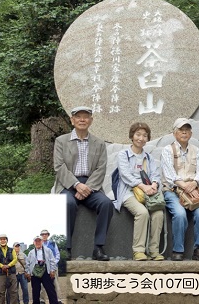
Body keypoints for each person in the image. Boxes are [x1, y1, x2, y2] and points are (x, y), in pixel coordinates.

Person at [53, 106, 113, 261]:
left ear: (91, 121)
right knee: (68, 204)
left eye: (85, 117)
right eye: (78, 117)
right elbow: (59, 167)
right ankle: (65, 248)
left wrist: (87, 187)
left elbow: (101, 168)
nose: (82, 120)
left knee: (106, 204)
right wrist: (76, 185)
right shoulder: (61, 141)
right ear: (72, 120)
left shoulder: (99, 143)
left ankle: (98, 247)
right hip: (68, 184)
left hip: (91, 185)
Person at [160, 118, 199, 261]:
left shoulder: (197, 151)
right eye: (181, 130)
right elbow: (169, 175)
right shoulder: (167, 150)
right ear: (174, 133)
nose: (184, 132)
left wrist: (193, 183)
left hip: (194, 193)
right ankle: (178, 250)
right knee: (180, 214)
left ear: (191, 133)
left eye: (187, 130)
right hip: (173, 191)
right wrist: (184, 186)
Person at [114, 122, 165, 261]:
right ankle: (139, 250)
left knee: (158, 214)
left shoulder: (148, 157)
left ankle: (154, 251)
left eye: (144, 135)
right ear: (132, 136)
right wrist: (143, 186)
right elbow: (125, 175)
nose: (141, 138)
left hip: (148, 193)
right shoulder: (123, 155)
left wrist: (154, 185)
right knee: (142, 213)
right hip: (128, 192)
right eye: (138, 134)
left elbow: (155, 174)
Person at [25, 236, 58, 304]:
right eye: (36, 241)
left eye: (39, 241)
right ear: (34, 243)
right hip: (35, 271)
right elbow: (27, 263)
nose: (38, 243)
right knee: (35, 291)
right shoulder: (31, 252)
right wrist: (28, 272)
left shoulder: (48, 250)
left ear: (42, 241)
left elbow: (52, 261)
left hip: (46, 271)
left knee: (50, 289)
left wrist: (52, 270)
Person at [0, 234, 19, 304]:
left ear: (7, 240)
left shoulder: (12, 250)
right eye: (1, 239)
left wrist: (8, 265)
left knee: (13, 291)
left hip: (11, 273)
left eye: (4, 239)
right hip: (1, 274)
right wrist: (2, 266)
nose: (3, 241)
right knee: (1, 292)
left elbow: (15, 259)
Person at [39, 230, 62, 304]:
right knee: (42, 284)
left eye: (45, 234)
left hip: (53, 266)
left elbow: (57, 254)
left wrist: (53, 264)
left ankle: (58, 299)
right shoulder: (39, 244)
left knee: (55, 283)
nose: (44, 235)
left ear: (48, 235)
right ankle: (42, 300)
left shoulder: (53, 243)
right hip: (43, 267)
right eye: (42, 234)